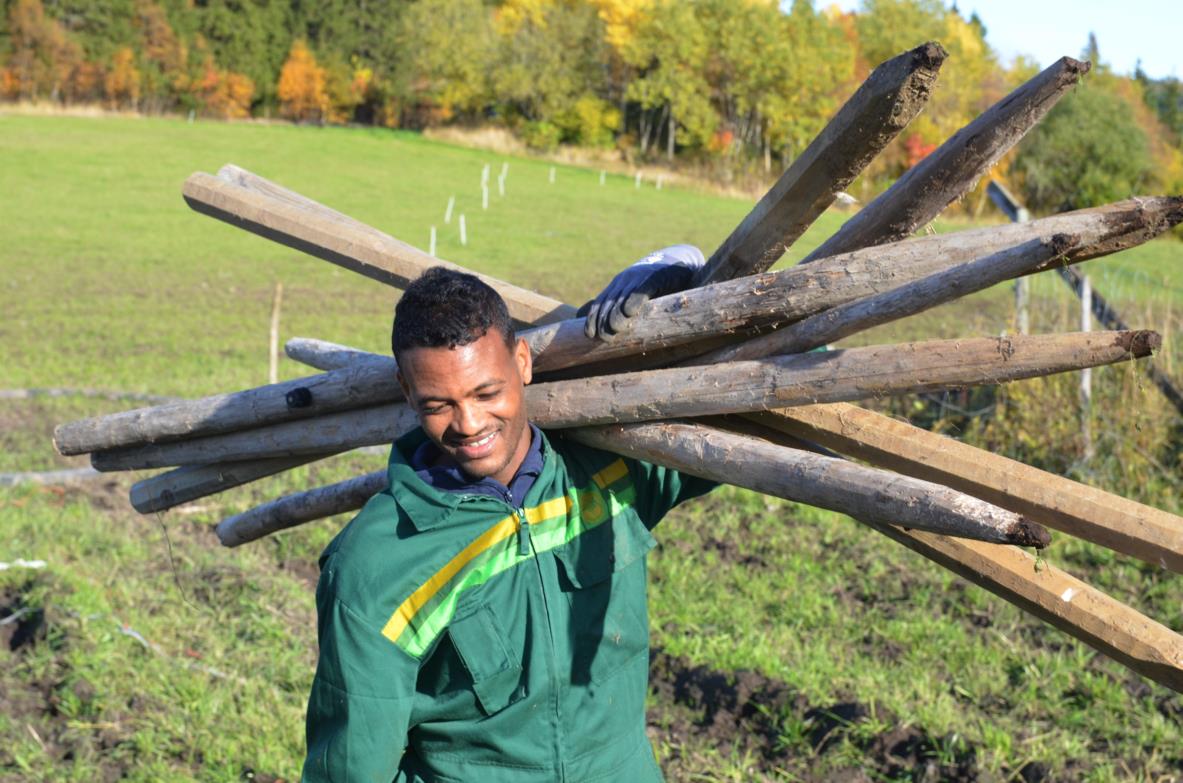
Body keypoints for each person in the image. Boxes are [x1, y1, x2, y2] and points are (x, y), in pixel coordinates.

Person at [302, 246, 714, 782]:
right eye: (437, 404)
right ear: (406, 391)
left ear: (522, 362)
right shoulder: (375, 566)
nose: (469, 424)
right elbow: (352, 770)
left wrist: (683, 278)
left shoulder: (607, 471)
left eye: (486, 392)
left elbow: (781, 393)